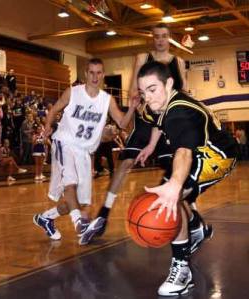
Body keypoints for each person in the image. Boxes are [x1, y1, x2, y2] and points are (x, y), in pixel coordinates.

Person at [134, 61, 237, 296]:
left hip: (218, 155)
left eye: (152, 89)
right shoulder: (159, 104)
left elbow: (184, 153)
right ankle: (196, 227)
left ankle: (182, 270)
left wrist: (175, 186)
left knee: (172, 194)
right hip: (202, 150)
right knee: (171, 191)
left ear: (169, 83)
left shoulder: (180, 112)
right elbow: (157, 122)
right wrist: (150, 146)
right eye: (143, 92)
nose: (147, 98)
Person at [94, 23, 187, 235]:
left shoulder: (178, 62)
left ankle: (192, 217)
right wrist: (143, 102)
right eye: (157, 37)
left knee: (178, 169)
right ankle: (104, 212)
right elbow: (132, 90)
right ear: (152, 39)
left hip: (167, 123)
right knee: (125, 162)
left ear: (169, 38)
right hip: (146, 121)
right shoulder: (143, 58)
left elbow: (184, 92)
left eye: (164, 36)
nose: (160, 40)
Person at [33, 58, 139, 245]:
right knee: (70, 184)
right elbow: (54, 110)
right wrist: (48, 125)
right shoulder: (73, 92)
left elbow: (123, 124)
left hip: (84, 151)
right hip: (64, 142)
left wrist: (131, 107)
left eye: (99, 72)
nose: (95, 76)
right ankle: (80, 225)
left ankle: (45, 218)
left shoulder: (107, 100)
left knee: (79, 201)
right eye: (92, 72)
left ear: (103, 75)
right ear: (85, 74)